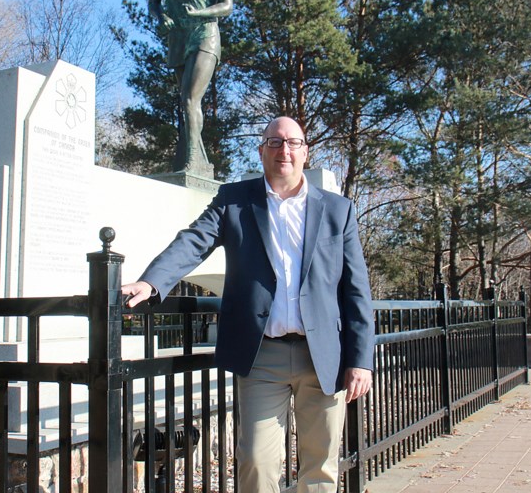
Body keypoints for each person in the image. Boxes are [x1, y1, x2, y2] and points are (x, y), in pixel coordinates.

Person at [122, 116, 375, 493]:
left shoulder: (338, 211)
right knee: (255, 460)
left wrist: (361, 360)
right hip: (262, 357)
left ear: (305, 151)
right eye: (274, 142)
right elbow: (193, 241)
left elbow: (356, 290)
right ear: (261, 151)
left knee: (320, 466)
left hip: (324, 355)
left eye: (292, 143)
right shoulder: (235, 200)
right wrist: (152, 280)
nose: (283, 150)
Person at [148, 0, 233, 176]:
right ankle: (194, 158)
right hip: (178, 37)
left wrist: (200, 13)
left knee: (189, 98)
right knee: (185, 102)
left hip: (205, 34)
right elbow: (153, 2)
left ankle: (193, 159)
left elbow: (227, 5)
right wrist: (161, 17)